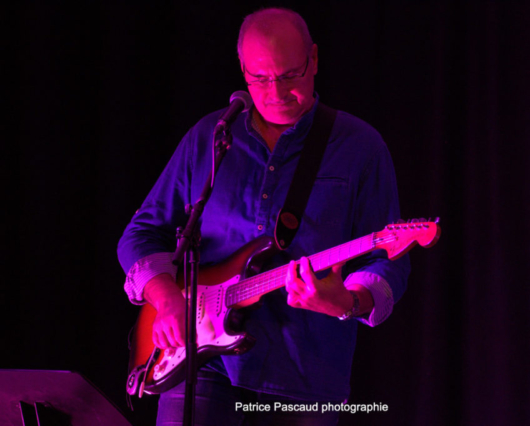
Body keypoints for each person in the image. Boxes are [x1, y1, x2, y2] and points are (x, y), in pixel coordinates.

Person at [117, 7, 410, 426]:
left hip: (306, 374)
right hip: (201, 366)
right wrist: (164, 298)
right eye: (259, 78)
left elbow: (387, 261)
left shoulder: (361, 147)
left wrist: (346, 301)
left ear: (313, 59)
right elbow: (141, 233)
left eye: (289, 75)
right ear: (242, 69)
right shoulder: (211, 136)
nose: (274, 92)